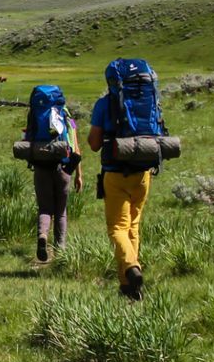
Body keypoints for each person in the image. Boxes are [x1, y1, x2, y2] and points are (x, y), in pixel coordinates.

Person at [86, 86, 151, 300]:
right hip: (143, 174)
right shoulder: (147, 100)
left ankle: (132, 267)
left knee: (117, 228)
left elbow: (94, 144)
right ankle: (128, 287)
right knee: (133, 225)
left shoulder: (104, 104)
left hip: (115, 174)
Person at [31, 104, 83, 265]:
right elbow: (76, 147)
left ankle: (42, 236)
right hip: (63, 169)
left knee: (45, 208)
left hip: (41, 167)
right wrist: (79, 175)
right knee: (61, 212)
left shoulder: (37, 114)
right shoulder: (68, 116)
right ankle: (60, 250)